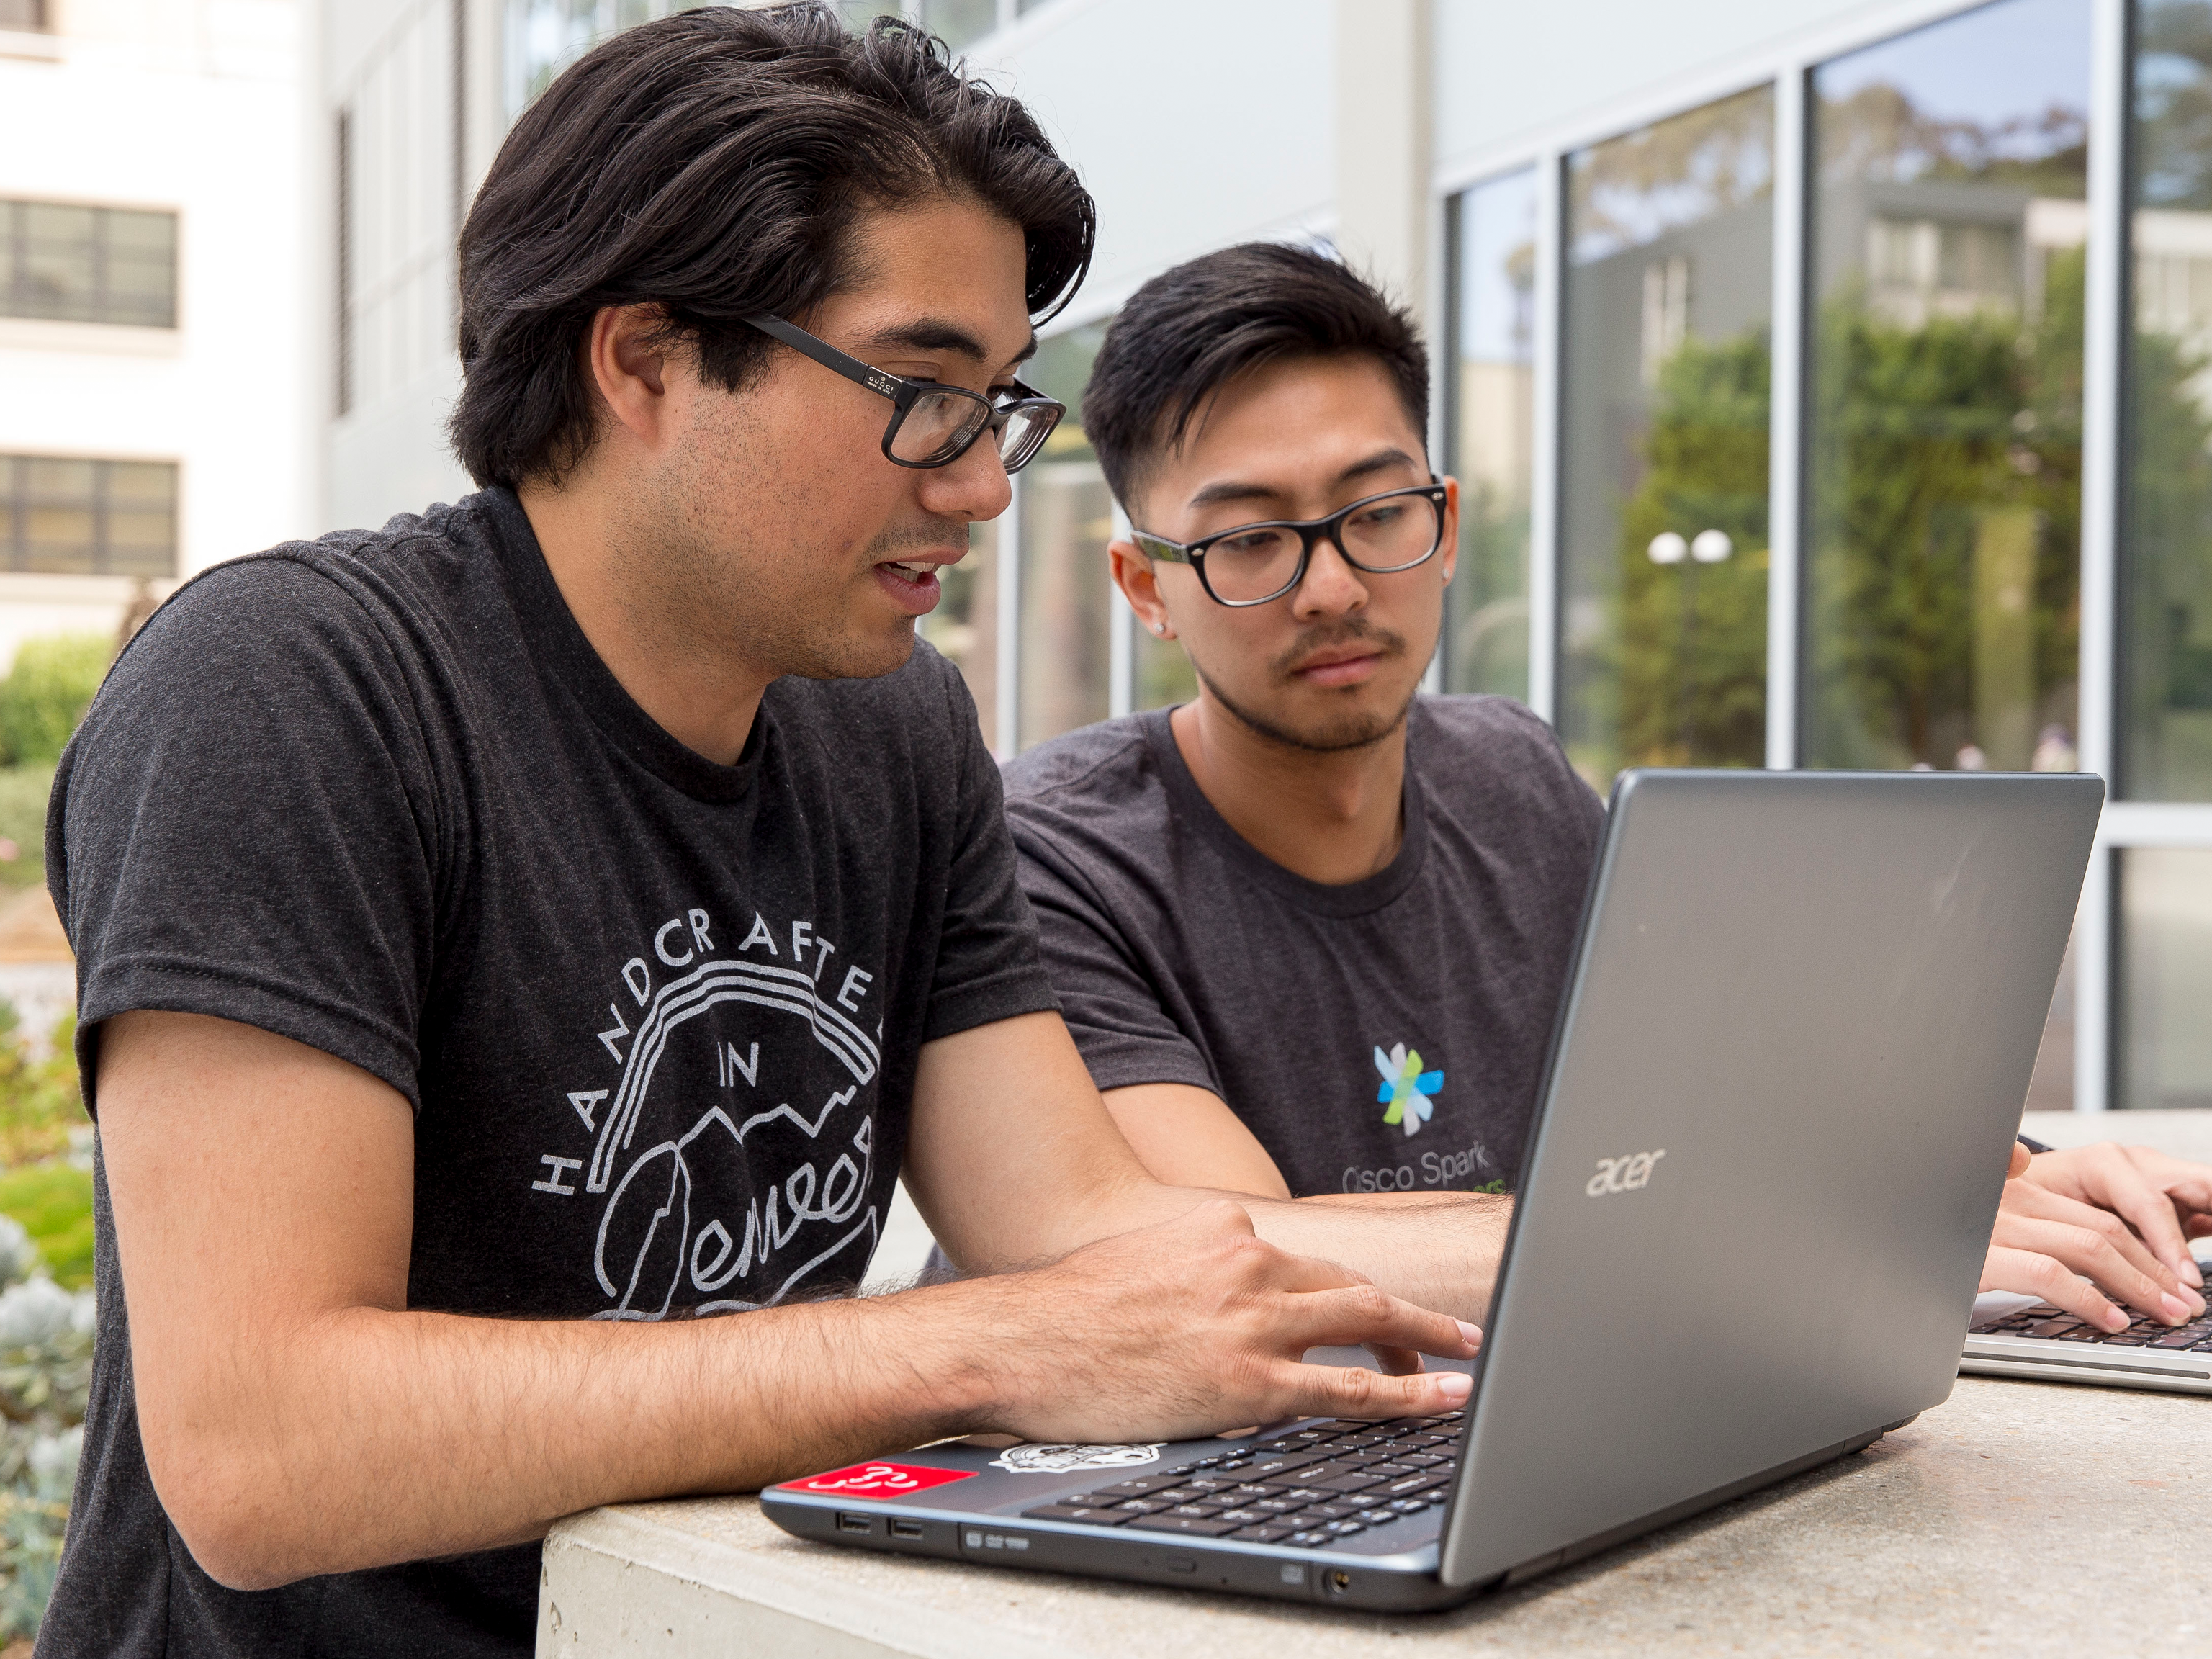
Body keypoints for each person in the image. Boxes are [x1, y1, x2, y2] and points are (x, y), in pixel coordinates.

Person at [40, 17, 1501, 1655]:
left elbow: (1083, 1227)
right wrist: (986, 1350)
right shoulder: (293, 692)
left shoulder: (892, 729)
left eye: (997, 409)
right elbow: (262, 1446)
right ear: (647, 360)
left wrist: (1582, 1251)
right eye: (923, 396)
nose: (985, 488)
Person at [997, 240, 2212, 1343]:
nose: (1331, 587)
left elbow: (1734, 1072)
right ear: (1146, 587)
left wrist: (1990, 1178)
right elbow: (1247, 1272)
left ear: (1446, 523)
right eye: (1250, 539)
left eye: (1377, 513)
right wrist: (1807, 1234)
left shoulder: (1509, 774)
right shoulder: (1057, 855)